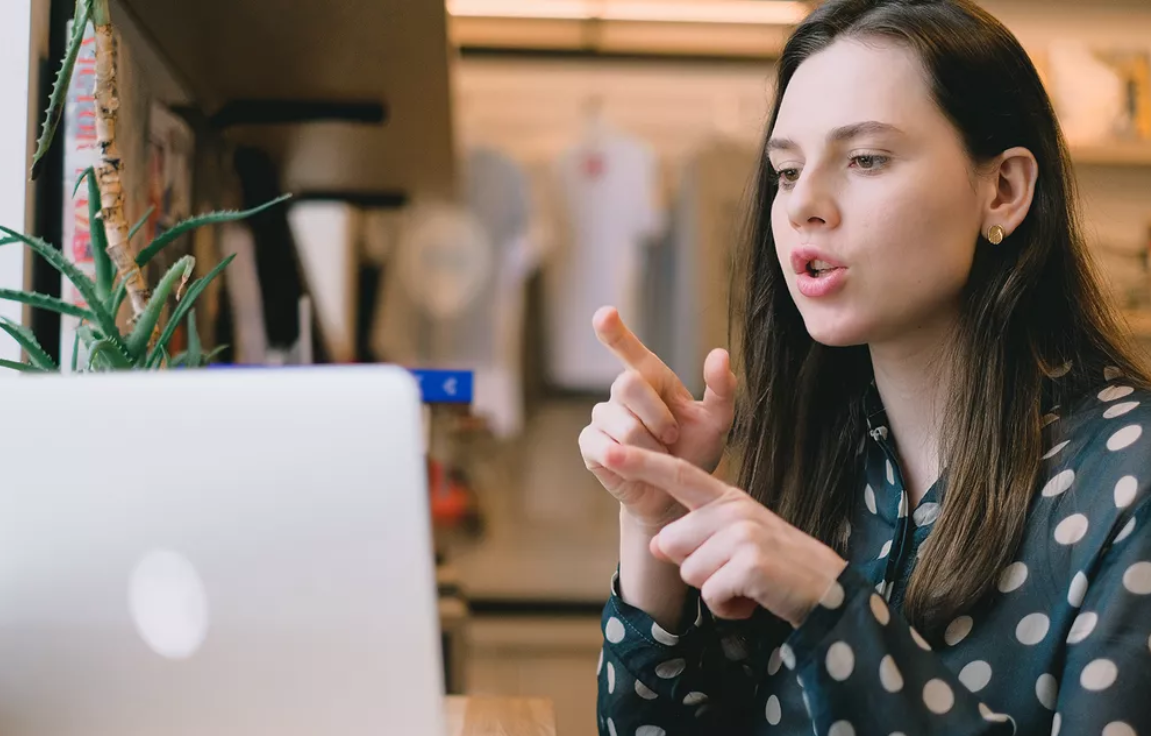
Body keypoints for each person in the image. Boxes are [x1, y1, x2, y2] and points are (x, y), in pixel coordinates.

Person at [578, 0, 1151, 734]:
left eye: (865, 159)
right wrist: (653, 519)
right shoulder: (815, 462)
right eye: (785, 171)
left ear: (1001, 189)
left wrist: (832, 607)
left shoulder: (1128, 481)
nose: (803, 204)